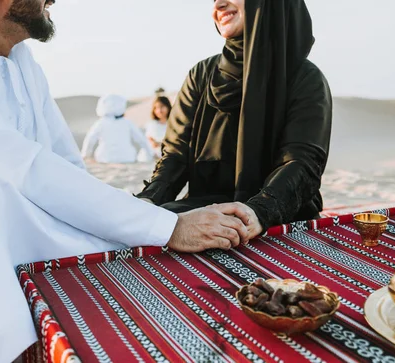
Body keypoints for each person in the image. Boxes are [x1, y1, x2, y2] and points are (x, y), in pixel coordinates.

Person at [0, 0, 258, 361]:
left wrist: (150, 221)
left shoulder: (23, 67)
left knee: (126, 240)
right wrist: (170, 228)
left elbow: (67, 172)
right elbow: (14, 164)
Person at [137, 0, 332, 234]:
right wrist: (148, 200)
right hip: (208, 213)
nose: (219, 4)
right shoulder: (201, 75)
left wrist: (258, 212)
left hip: (279, 216)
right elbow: (176, 157)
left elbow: (301, 163)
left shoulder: (304, 78)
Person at [80, 94, 152, 164]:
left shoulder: (100, 123)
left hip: (104, 158)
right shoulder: (127, 123)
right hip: (127, 158)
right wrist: (151, 154)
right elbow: (141, 139)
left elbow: (90, 139)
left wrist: (85, 155)